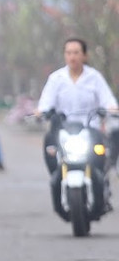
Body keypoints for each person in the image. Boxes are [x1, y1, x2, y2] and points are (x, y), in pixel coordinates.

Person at [35, 38, 118, 176]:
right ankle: (56, 179)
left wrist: (112, 108)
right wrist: (40, 112)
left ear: (85, 55)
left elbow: (108, 100)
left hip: (91, 130)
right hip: (63, 130)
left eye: (76, 52)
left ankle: (101, 183)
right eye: (68, 53)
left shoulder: (95, 77)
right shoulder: (56, 78)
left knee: (99, 165)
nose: (72, 57)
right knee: (50, 145)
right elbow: (45, 103)